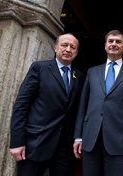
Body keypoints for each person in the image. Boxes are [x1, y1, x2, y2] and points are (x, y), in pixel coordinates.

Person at [10, 33, 84, 176]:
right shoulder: (40, 68)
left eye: (72, 47)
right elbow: (21, 105)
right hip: (37, 143)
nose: (68, 49)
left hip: (65, 147)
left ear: (76, 52)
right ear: (56, 48)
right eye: (64, 45)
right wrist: (17, 141)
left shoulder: (79, 76)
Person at [73, 30, 123, 176]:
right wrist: (78, 136)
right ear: (105, 46)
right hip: (90, 139)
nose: (114, 44)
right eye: (110, 41)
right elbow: (82, 106)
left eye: (118, 42)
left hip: (119, 140)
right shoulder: (92, 72)